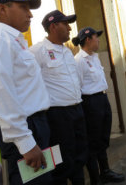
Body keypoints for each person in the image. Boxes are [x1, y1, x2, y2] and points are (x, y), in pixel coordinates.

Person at [0, 0, 51, 185]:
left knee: (43, 179)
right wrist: (25, 143)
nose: (30, 14)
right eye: (23, 7)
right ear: (2, 8)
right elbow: (0, 91)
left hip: (34, 125)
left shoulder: (13, 40)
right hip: (24, 129)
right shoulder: (0, 39)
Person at [30, 10, 88, 185]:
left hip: (77, 109)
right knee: (62, 161)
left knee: (80, 154)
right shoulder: (37, 51)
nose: (70, 28)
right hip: (57, 115)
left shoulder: (67, 52)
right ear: (54, 26)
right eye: (66, 24)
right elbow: (30, 84)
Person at [72, 27, 125, 185]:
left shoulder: (94, 57)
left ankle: (106, 171)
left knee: (102, 138)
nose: (99, 40)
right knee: (92, 142)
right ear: (88, 39)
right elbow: (78, 87)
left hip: (102, 99)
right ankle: (95, 178)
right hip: (90, 103)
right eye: (96, 37)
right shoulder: (79, 60)